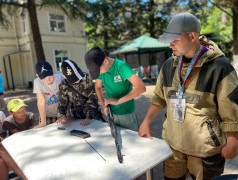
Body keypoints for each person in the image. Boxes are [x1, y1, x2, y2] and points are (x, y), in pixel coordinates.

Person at [138, 13, 238, 180]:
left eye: (175, 40)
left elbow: (232, 109)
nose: (170, 45)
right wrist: (146, 121)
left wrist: (233, 140)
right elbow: (158, 97)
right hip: (173, 147)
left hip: (204, 151)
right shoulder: (168, 65)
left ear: (192, 36)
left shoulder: (220, 67)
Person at [85, 47, 146, 131]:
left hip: (126, 113)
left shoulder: (121, 66)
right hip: (111, 113)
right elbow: (97, 87)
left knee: (130, 140)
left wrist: (118, 101)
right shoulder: (101, 69)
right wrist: (103, 105)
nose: (99, 74)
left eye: (99, 71)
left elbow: (141, 88)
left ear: (105, 61)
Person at [56, 59, 103, 125]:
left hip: (93, 118)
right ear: (64, 76)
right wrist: (61, 115)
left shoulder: (87, 79)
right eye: (73, 78)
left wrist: (89, 117)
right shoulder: (64, 85)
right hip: (76, 119)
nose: (77, 80)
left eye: (77, 75)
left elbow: (93, 99)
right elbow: (62, 103)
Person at [0, 98, 36, 180]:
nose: (22, 113)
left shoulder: (30, 116)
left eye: (24, 110)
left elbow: (3, 132)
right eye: (18, 111)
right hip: (17, 141)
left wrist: (2, 137)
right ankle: (25, 176)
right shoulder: (8, 121)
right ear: (11, 113)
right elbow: (18, 134)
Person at [33, 61, 64, 128]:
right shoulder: (37, 82)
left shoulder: (60, 78)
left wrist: (66, 114)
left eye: (50, 76)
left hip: (62, 114)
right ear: (37, 76)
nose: (48, 80)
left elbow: (67, 97)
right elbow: (41, 101)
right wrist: (43, 122)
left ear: (53, 70)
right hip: (47, 115)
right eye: (44, 78)